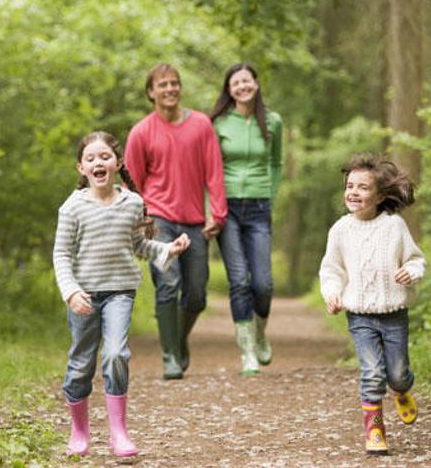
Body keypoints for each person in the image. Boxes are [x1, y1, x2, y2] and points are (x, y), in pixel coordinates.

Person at [53, 131, 191, 458]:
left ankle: (118, 433)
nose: (98, 162)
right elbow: (61, 254)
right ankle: (80, 431)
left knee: (116, 354)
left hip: (120, 292)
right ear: (81, 168)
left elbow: (138, 245)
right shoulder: (72, 208)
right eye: (91, 159)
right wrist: (70, 292)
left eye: (104, 156)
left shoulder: (132, 202)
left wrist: (168, 250)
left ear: (116, 163)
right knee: (81, 364)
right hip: (83, 295)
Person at [124, 63, 228, 380]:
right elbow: (131, 183)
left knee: (196, 292)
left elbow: (214, 171)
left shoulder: (200, 125)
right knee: (168, 284)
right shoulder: (142, 132)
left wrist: (218, 213)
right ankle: (169, 356)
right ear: (150, 92)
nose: (170, 89)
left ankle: (178, 340)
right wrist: (138, 222)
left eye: (174, 83)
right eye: (163, 84)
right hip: (158, 219)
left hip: (195, 221)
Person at [319, 153, 425, 455]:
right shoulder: (340, 229)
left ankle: (402, 389)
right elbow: (331, 269)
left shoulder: (394, 226)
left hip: (394, 314)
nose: (353, 192)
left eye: (362, 187)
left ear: (380, 195)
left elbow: (416, 259)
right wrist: (332, 293)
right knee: (371, 372)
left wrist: (411, 272)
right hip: (359, 315)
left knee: (397, 373)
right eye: (349, 185)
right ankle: (375, 429)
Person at [209, 63, 283, 375]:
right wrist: (210, 209)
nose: (242, 86)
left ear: (256, 83)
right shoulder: (219, 123)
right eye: (235, 83)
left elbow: (276, 162)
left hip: (259, 207)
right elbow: (209, 168)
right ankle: (247, 352)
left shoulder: (274, 121)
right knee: (239, 281)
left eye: (246, 81)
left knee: (263, 283)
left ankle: (260, 333)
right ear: (229, 89)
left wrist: (270, 193)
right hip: (227, 209)